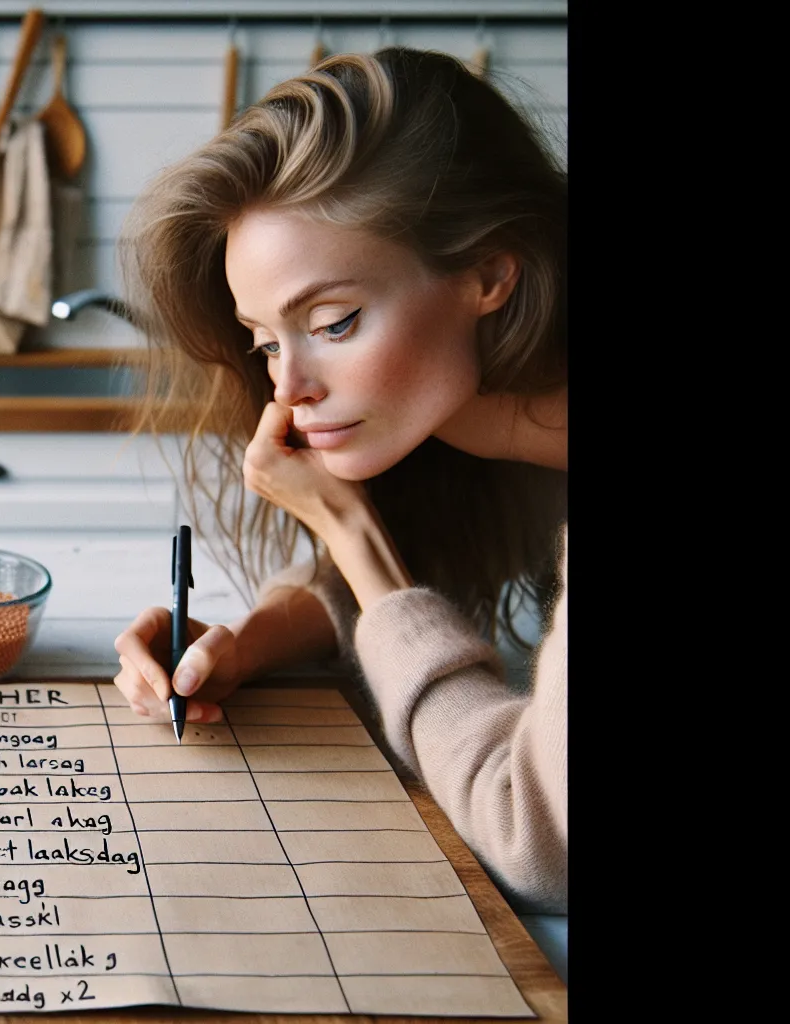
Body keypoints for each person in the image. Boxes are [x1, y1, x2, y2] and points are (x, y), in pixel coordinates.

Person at [110, 47, 567, 914]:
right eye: (265, 341)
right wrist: (247, 643)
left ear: (489, 274)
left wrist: (351, 534)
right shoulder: (479, 426)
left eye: (334, 321)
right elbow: (433, 550)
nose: (288, 388)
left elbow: (539, 844)